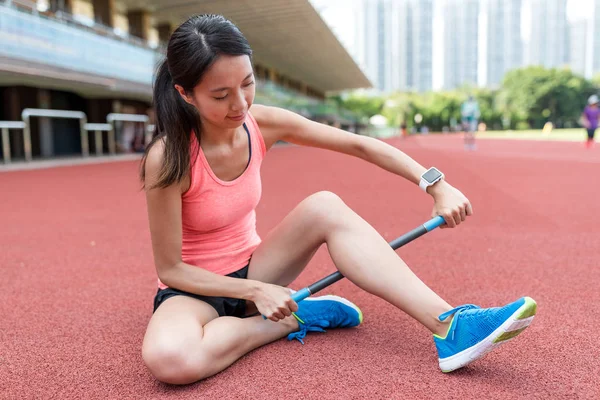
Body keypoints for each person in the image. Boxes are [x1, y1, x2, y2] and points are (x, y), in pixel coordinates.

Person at [140, 14, 537, 385]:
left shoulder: (261, 122)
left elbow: (359, 145)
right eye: (221, 95)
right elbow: (172, 268)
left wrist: (435, 183)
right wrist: (255, 294)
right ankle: (290, 320)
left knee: (324, 205)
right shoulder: (168, 157)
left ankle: (451, 325)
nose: (240, 105)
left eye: (247, 83)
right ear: (185, 93)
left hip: (257, 268)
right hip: (194, 291)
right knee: (169, 360)